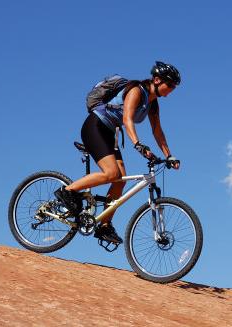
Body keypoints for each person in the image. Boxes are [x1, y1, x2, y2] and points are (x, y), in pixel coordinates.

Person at [54, 61, 181, 244]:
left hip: (110, 132)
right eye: (169, 85)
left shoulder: (153, 105)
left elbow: (157, 131)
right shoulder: (137, 90)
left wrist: (169, 155)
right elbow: (127, 119)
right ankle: (67, 191)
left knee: (120, 180)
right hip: (95, 126)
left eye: (174, 87)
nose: (171, 90)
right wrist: (138, 144)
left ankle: (104, 226)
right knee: (111, 173)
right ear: (156, 79)